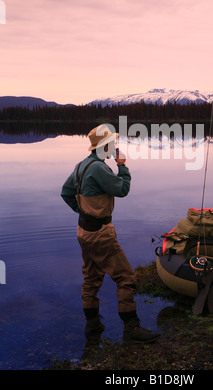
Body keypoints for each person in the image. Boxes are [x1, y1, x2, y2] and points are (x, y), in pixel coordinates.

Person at [61, 124, 160, 343]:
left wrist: (84, 212)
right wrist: (122, 166)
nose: (115, 146)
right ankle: (132, 328)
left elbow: (66, 192)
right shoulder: (99, 168)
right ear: (104, 146)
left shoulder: (81, 166)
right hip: (100, 235)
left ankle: (93, 326)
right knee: (125, 277)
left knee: (91, 279)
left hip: (84, 232)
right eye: (113, 144)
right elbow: (122, 189)